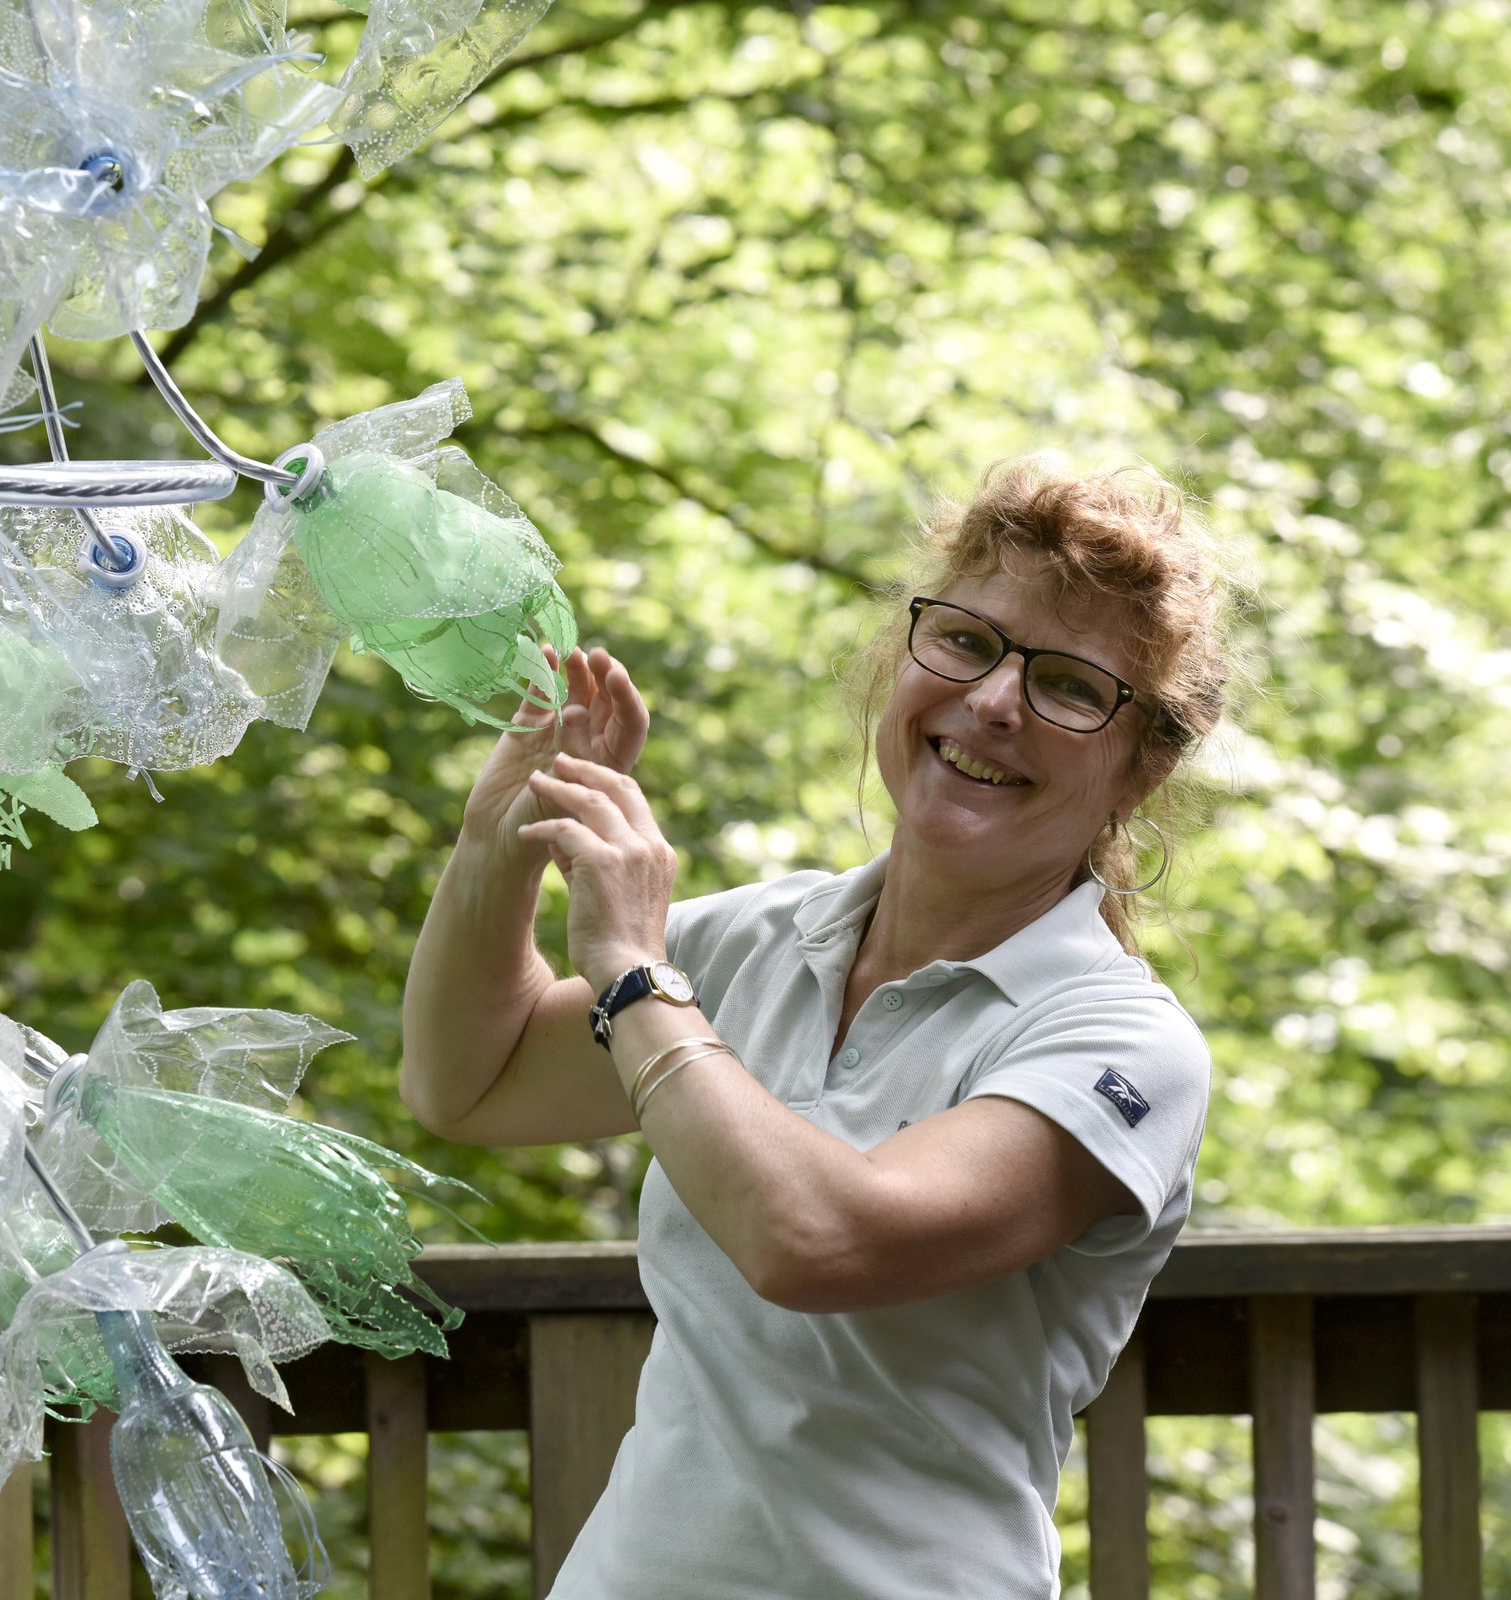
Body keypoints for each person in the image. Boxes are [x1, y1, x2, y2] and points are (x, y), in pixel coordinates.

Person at [399, 459, 1237, 1596]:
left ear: (1143, 766)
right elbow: (469, 1083)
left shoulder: (1117, 1042)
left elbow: (822, 1242)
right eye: (968, 642)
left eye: (1073, 687)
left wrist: (637, 972)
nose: (993, 702)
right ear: (905, 656)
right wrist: (501, 842)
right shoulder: (760, 940)